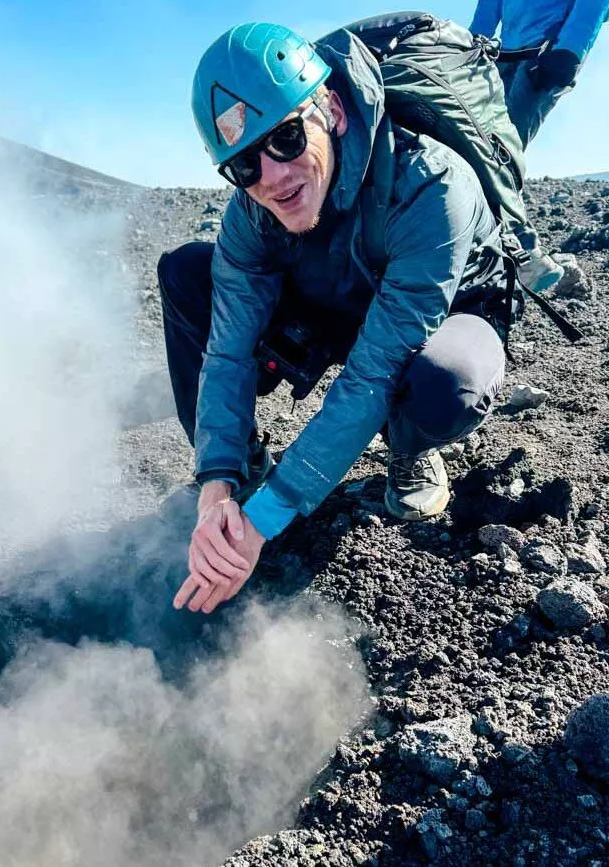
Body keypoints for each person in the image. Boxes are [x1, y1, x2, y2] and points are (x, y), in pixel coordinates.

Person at [158, 23, 514, 616]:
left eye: (287, 139)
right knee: (189, 272)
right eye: (244, 165)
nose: (271, 176)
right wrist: (216, 483)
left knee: (445, 383)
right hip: (336, 299)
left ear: (332, 110)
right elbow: (227, 350)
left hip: (436, 317)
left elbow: (375, 370)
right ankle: (244, 466)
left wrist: (268, 518)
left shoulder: (430, 185)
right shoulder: (252, 211)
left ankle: (410, 448)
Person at [470, 0, 609, 149]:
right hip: (504, 54)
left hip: (549, 52)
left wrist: (569, 50)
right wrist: (471, 40)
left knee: (505, 143)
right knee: (472, 128)